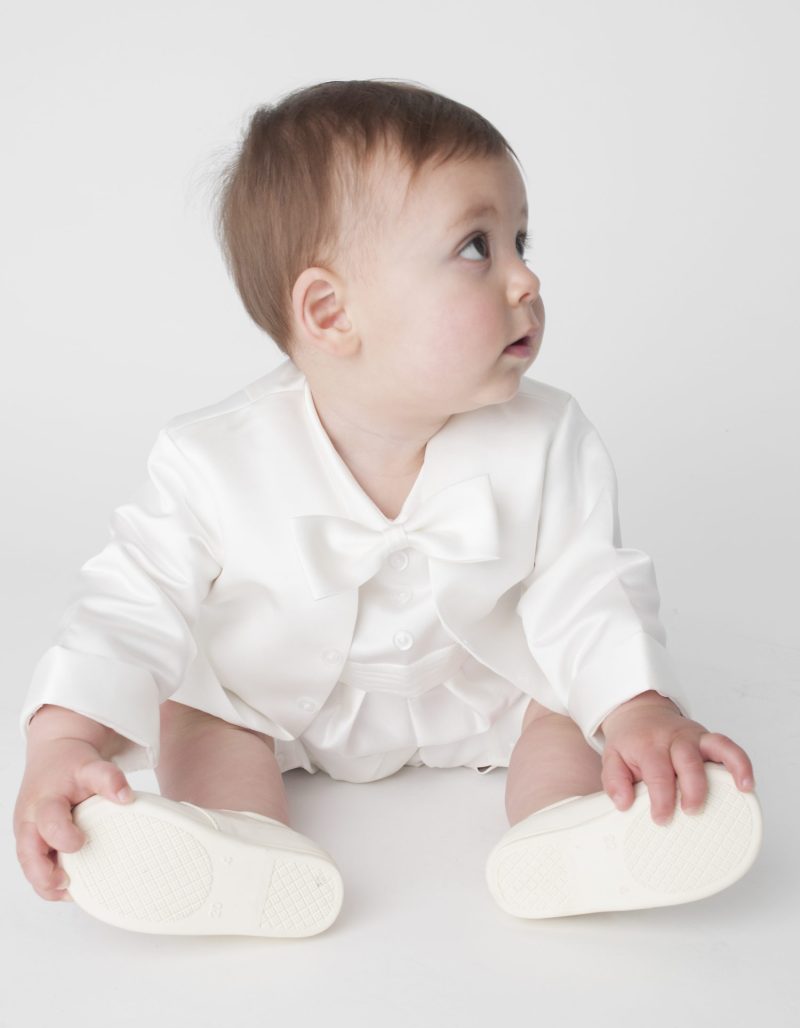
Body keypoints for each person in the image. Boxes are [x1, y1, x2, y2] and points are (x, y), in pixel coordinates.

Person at [12, 79, 762, 937]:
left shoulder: (550, 436)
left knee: (564, 713)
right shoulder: (213, 459)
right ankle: (238, 845)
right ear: (331, 312)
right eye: (478, 247)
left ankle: (569, 831)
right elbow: (129, 600)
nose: (526, 277)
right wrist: (64, 740)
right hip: (273, 701)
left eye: (520, 240)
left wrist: (639, 708)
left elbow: (587, 586)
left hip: (483, 691)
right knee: (201, 720)